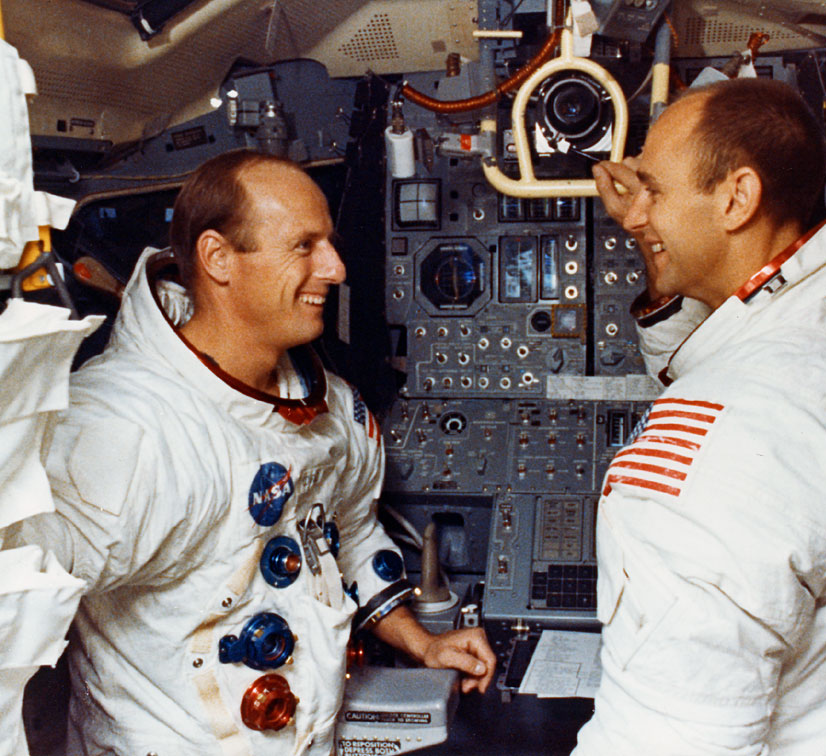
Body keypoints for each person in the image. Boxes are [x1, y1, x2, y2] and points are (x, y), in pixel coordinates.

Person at [11, 149, 495, 755]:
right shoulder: (124, 428)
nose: (336, 268)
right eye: (304, 246)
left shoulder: (331, 407)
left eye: (330, 244)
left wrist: (420, 642)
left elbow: (345, 532)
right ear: (219, 258)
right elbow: (17, 594)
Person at [576, 77, 826, 755]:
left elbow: (670, 743)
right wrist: (660, 241)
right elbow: (726, 348)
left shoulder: (725, 441)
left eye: (653, 191)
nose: (632, 216)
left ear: (737, 198)